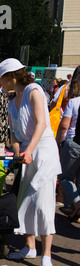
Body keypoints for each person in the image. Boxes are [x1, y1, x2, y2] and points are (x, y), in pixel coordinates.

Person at [0, 58, 61, 266]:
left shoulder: (35, 91)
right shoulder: (10, 102)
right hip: (27, 154)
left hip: (42, 152)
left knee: (43, 205)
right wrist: (18, 151)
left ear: (12, 77)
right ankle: (30, 247)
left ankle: (47, 257)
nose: (1, 84)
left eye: (2, 79)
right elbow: (13, 133)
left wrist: (30, 150)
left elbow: (42, 123)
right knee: (25, 201)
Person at [55, 73, 80, 223]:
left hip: (72, 142)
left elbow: (64, 126)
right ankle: (75, 208)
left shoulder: (74, 102)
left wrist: (58, 141)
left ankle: (76, 204)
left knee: (64, 176)